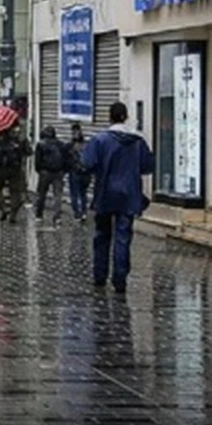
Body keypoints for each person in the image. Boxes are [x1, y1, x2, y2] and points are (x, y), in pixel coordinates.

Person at [83, 102, 154, 294]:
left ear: (110, 117)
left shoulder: (100, 140)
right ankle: (120, 279)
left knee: (102, 235)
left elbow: (87, 163)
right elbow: (148, 166)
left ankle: (100, 275)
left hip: (105, 193)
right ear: (126, 116)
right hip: (129, 195)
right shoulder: (138, 141)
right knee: (123, 237)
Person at [0, 126, 31, 223]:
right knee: (15, 192)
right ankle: (13, 215)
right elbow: (29, 152)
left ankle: (3, 208)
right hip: (15, 168)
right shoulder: (20, 138)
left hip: (0, 168)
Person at [34, 125, 68, 225]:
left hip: (45, 172)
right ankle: (57, 217)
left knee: (41, 194)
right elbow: (66, 158)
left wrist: (39, 170)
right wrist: (63, 170)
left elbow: (37, 160)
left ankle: (39, 215)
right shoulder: (61, 144)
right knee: (58, 195)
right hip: (58, 172)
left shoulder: (40, 144)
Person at [67, 122, 92, 222]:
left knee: (75, 193)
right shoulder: (87, 145)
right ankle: (84, 212)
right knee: (83, 193)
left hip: (75, 173)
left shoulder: (70, 146)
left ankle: (77, 213)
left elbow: (67, 160)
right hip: (86, 173)